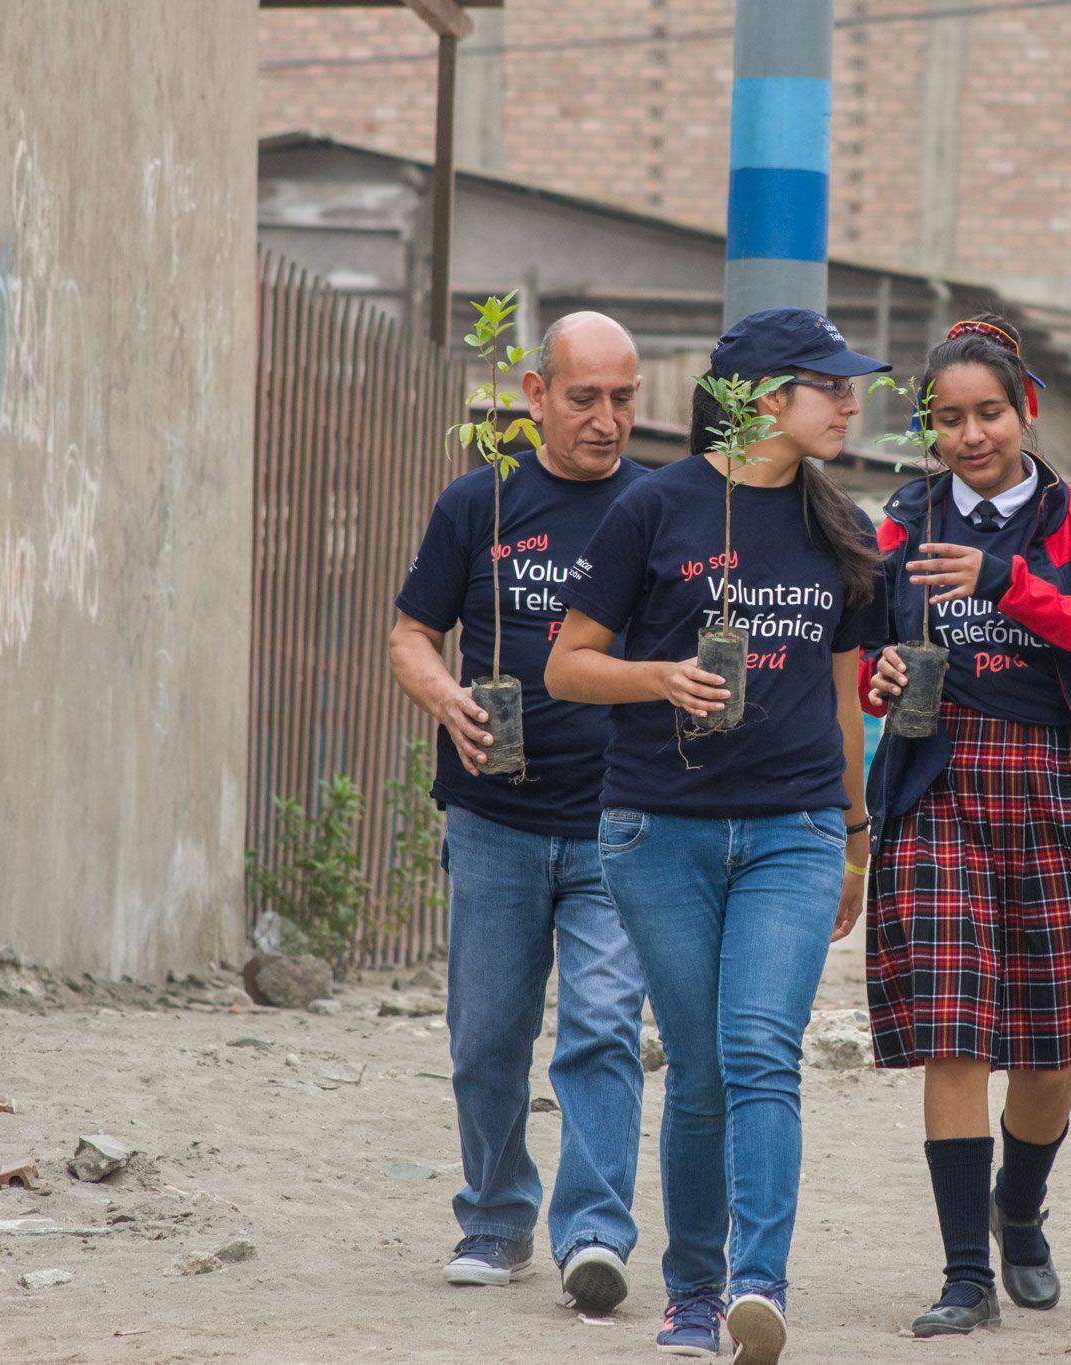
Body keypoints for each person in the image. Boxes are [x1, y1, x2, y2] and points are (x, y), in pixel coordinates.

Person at [544, 307, 886, 1365]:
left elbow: (844, 696)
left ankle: (758, 1283)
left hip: (795, 829)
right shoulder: (655, 510)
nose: (850, 401)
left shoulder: (844, 527)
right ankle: (690, 1291)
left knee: (759, 1052)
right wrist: (660, 677)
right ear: (759, 398)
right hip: (659, 829)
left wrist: (856, 835)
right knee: (696, 1066)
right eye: (829, 385)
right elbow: (566, 667)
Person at [862, 316, 1071, 1336]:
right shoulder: (902, 520)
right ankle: (962, 1274)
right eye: (948, 419)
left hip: (1059, 786)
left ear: (1025, 408)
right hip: (939, 787)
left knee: (1049, 1047)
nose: (971, 435)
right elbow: (872, 654)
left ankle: (1018, 1210)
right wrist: (881, 676)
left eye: (988, 412)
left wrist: (1006, 582)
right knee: (953, 1030)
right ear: (929, 429)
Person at [387, 312, 650, 1312]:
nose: (606, 419)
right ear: (535, 394)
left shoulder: (660, 509)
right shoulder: (479, 503)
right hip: (492, 819)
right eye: (584, 397)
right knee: (487, 1035)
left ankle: (593, 1231)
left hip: (615, 822)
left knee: (599, 1028)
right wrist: (442, 693)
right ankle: (495, 1220)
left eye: (623, 398)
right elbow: (413, 634)